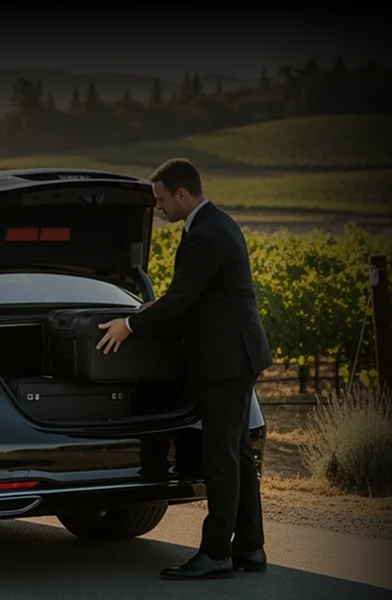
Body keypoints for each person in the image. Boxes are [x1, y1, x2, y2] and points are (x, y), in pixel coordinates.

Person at [96, 157, 275, 580]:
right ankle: (249, 547)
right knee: (236, 455)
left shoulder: (204, 236)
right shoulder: (218, 223)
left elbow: (180, 300)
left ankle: (215, 555)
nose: (158, 208)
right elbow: (190, 296)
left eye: (160, 199)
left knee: (220, 457)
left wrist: (131, 323)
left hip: (225, 361)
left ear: (181, 193)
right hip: (235, 355)